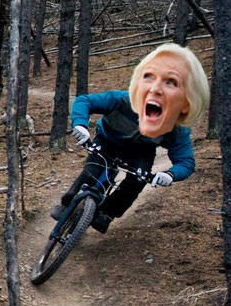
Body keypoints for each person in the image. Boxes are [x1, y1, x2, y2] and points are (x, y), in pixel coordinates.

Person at [51, 42, 211, 233]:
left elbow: (186, 161)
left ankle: (107, 213)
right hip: (109, 139)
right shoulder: (123, 100)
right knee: (92, 171)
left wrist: (170, 174)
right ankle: (67, 202)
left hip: (141, 150)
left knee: (137, 180)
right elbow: (85, 101)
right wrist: (80, 125)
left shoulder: (177, 127)